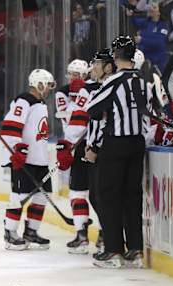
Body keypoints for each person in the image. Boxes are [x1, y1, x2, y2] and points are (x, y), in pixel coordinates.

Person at [84, 35, 152, 269]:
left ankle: (113, 250)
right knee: (133, 197)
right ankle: (136, 250)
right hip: (138, 144)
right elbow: (150, 112)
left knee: (110, 196)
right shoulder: (144, 81)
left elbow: (92, 109)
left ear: (114, 56)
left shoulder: (113, 81)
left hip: (116, 143)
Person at [57, 48, 115, 255]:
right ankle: (99, 235)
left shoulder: (90, 89)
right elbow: (77, 118)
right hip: (97, 145)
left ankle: (91, 235)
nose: (93, 69)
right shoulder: (109, 86)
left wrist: (67, 143)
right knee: (91, 193)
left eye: (96, 65)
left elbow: (77, 120)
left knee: (90, 193)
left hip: (93, 146)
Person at [0, 69, 56, 251]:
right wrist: (17, 150)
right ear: (39, 84)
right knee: (19, 197)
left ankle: (31, 231)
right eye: (47, 85)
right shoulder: (24, 100)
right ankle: (10, 233)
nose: (48, 89)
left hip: (40, 159)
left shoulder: (41, 103)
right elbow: (11, 127)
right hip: (24, 159)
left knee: (41, 197)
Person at [55, 59, 89, 195]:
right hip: (72, 143)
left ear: (84, 76)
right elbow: (67, 117)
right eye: (70, 74)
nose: (71, 77)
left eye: (75, 74)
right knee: (76, 188)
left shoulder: (90, 89)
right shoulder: (62, 92)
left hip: (88, 141)